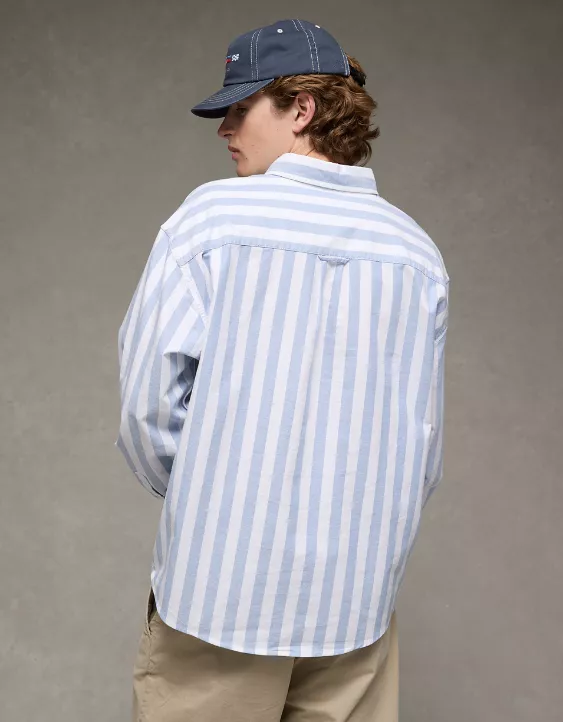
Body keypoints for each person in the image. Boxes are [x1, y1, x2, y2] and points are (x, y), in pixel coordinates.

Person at [115, 17, 449, 722]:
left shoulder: (211, 221)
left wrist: (216, 497)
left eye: (240, 108)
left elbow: (148, 411)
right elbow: (420, 448)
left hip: (218, 600)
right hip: (355, 606)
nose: (224, 129)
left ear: (302, 109)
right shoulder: (415, 251)